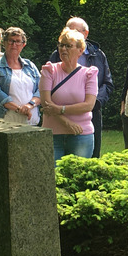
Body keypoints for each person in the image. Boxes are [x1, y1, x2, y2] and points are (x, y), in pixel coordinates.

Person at [48, 17, 113, 158]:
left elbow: (107, 83)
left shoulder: (98, 55)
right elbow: (48, 90)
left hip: (90, 114)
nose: (69, 34)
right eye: (67, 29)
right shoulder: (56, 56)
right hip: (57, 120)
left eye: (75, 30)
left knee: (91, 158)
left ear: (86, 33)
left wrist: (94, 102)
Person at [40, 27, 99, 161]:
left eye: (68, 46)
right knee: (53, 177)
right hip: (52, 134)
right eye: (61, 45)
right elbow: (46, 103)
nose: (63, 49)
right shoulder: (49, 70)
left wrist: (61, 109)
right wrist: (67, 123)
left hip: (81, 134)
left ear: (80, 50)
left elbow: (88, 105)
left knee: (77, 177)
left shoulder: (89, 74)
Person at [0, 27, 41, 124]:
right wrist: (19, 109)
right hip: (3, 123)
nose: (14, 44)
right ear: (4, 43)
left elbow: (41, 89)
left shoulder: (30, 66)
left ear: (23, 44)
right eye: (11, 41)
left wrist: (29, 105)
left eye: (18, 41)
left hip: (31, 123)